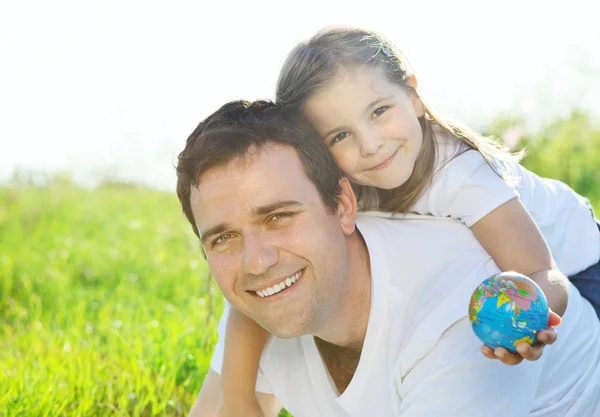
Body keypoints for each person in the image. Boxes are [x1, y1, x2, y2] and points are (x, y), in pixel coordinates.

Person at [216, 26, 600, 416]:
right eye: (340, 135)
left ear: (414, 95)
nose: (370, 144)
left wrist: (531, 322)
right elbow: (255, 296)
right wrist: (235, 397)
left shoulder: (460, 176)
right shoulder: (344, 187)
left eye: (380, 111)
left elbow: (542, 270)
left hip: (582, 260)